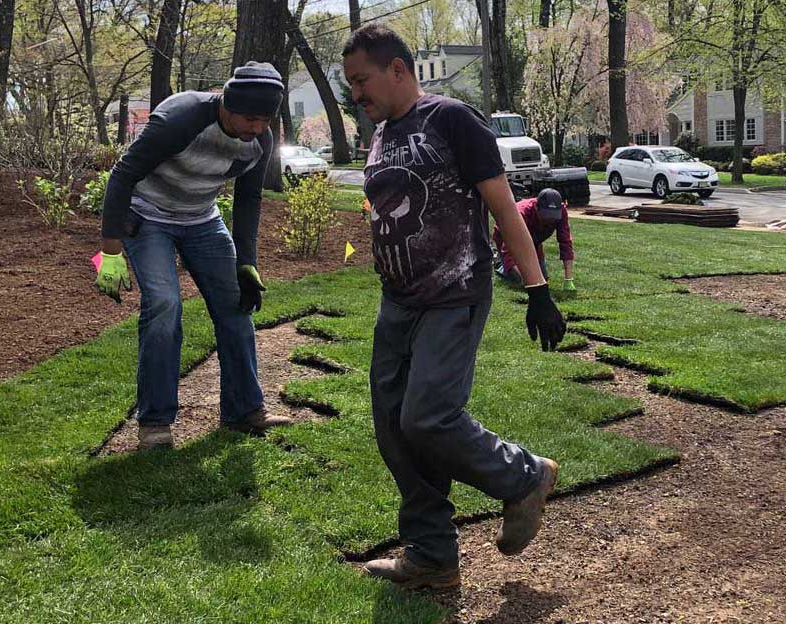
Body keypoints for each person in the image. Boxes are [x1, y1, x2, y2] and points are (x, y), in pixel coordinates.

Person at [342, 23, 567, 589]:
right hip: (398, 301)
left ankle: (524, 477)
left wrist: (538, 292)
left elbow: (504, 209)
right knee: (394, 429)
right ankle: (433, 556)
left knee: (427, 417)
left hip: (453, 294)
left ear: (398, 69)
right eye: (350, 84)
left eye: (362, 80)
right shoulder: (383, 133)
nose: (356, 94)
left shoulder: (451, 119)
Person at [92, 62, 296, 451]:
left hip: (202, 219)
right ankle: (155, 423)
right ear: (227, 102)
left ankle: (244, 411)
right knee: (165, 304)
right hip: (147, 216)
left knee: (237, 305)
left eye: (265, 119)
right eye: (251, 118)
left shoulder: (260, 138)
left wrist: (246, 262)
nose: (257, 127)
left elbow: (248, 197)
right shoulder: (179, 118)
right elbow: (124, 173)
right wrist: (110, 250)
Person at [494, 188, 576, 290]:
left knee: (542, 278)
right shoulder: (522, 214)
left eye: (553, 218)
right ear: (537, 208)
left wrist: (568, 279)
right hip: (505, 235)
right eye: (546, 217)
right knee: (518, 279)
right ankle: (499, 265)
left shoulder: (561, 211)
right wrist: (528, 280)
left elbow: (565, 242)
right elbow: (508, 251)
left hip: (535, 239)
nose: (550, 221)